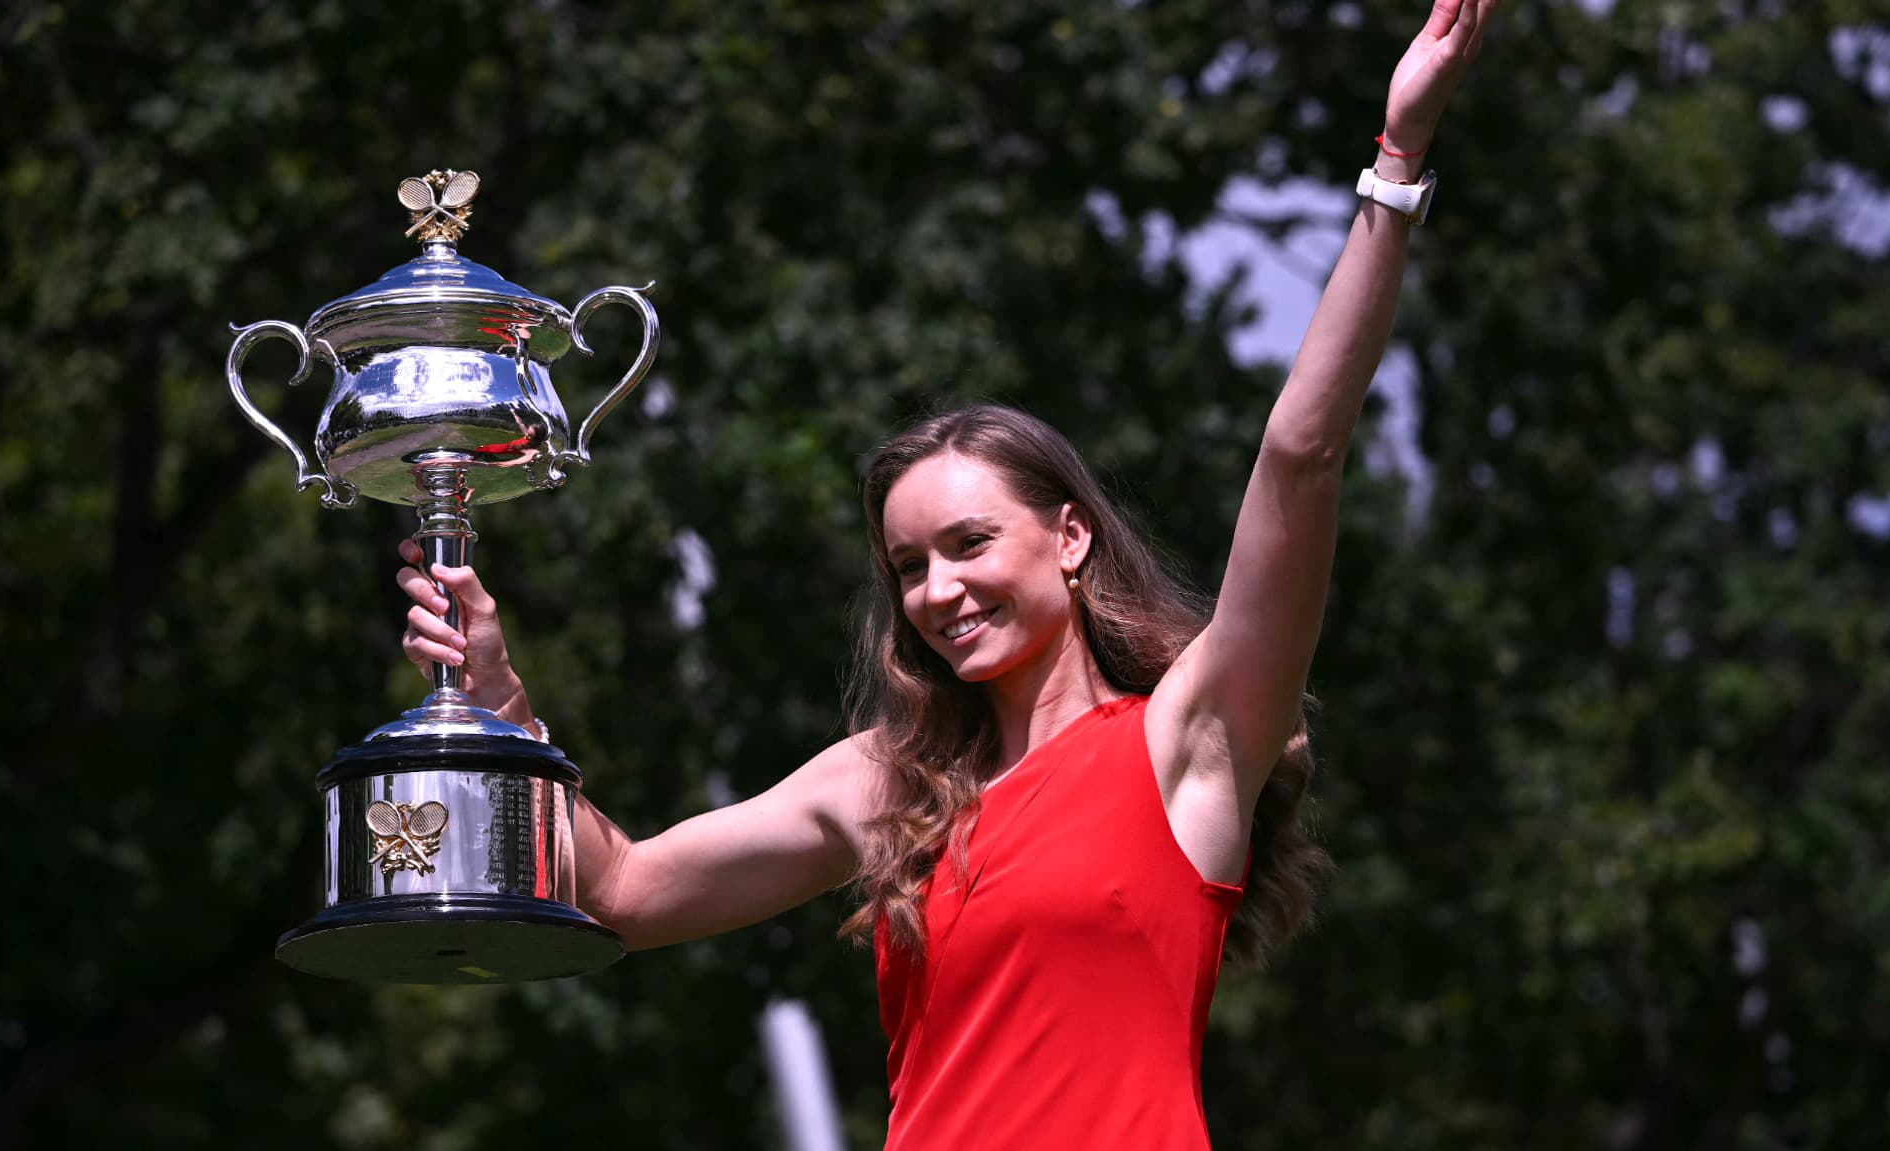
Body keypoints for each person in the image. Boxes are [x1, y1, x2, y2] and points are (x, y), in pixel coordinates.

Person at [397, 3, 1493, 1145]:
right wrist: (497, 704)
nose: (936, 590)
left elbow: (1299, 456)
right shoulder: (889, 784)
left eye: (969, 544)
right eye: (908, 564)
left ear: (1070, 537)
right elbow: (619, 891)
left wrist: (1396, 166)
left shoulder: (1191, 740)